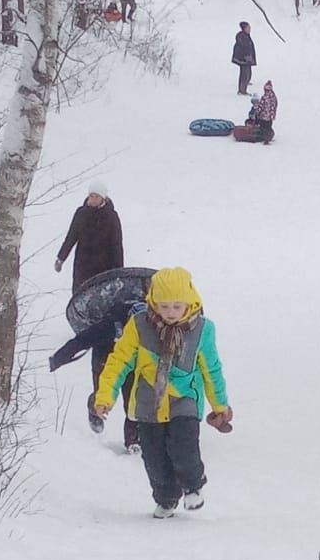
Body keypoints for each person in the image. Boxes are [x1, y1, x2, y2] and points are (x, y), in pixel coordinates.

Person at [94, 268, 233, 519]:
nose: (170, 313)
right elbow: (119, 362)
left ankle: (193, 486)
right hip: (149, 402)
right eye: (164, 306)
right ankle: (166, 498)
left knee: (184, 445)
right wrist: (105, 397)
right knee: (154, 458)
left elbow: (211, 369)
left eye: (177, 306)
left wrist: (220, 405)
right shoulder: (138, 326)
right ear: (153, 303)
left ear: (190, 302)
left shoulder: (202, 330)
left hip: (185, 398)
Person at [48, 299, 145, 451]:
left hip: (134, 364)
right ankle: (93, 408)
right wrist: (58, 358)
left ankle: (134, 441)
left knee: (134, 400)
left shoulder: (154, 325)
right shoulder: (109, 325)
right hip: (104, 357)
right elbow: (82, 340)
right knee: (102, 395)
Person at [54, 183, 124, 293]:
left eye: (97, 196)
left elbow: (117, 245)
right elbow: (71, 236)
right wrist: (61, 258)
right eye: (91, 196)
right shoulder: (81, 213)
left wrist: (119, 272)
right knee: (80, 296)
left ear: (103, 198)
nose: (93, 199)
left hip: (104, 265)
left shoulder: (111, 216)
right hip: (83, 264)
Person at [231, 21, 256, 95]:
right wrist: (247, 57)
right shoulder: (242, 37)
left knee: (247, 73)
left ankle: (244, 87)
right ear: (244, 28)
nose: (250, 29)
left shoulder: (246, 36)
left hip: (247, 58)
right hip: (243, 59)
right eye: (248, 28)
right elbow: (244, 48)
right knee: (244, 74)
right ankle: (242, 90)